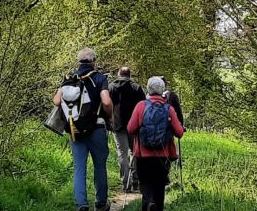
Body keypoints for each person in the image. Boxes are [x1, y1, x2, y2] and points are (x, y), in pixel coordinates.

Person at [52, 48, 112, 211]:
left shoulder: (69, 79)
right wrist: (110, 116)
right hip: (97, 128)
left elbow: (56, 101)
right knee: (100, 166)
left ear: (78, 61)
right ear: (94, 61)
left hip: (74, 129)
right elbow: (106, 102)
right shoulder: (99, 78)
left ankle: (81, 204)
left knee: (79, 167)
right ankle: (100, 203)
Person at [126, 76, 185, 211]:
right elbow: (179, 132)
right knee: (159, 185)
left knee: (145, 183)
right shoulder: (168, 108)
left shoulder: (141, 106)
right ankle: (156, 205)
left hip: (143, 154)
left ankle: (149, 201)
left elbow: (130, 129)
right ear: (162, 90)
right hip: (163, 155)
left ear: (148, 89)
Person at [104, 66, 145, 192]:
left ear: (118, 74)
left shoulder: (111, 87)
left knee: (122, 154)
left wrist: (108, 121)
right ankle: (135, 180)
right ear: (129, 75)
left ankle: (125, 184)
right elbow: (144, 106)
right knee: (136, 152)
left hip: (118, 125)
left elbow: (106, 105)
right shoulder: (136, 87)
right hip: (135, 125)